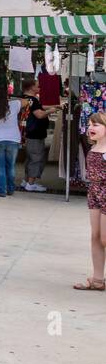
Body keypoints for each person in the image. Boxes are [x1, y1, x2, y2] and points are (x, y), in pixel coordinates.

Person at [76, 112, 106, 291]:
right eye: (89, 124)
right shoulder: (93, 148)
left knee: (104, 238)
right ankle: (97, 279)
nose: (90, 128)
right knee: (95, 236)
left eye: (96, 125)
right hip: (94, 192)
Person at [19, 78, 53, 193]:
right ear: (31, 87)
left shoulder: (25, 98)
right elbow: (39, 114)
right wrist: (51, 110)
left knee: (30, 158)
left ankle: (26, 180)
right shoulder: (32, 100)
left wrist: (54, 106)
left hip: (28, 133)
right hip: (35, 134)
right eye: (38, 86)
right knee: (36, 158)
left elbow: (39, 107)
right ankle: (31, 183)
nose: (40, 88)